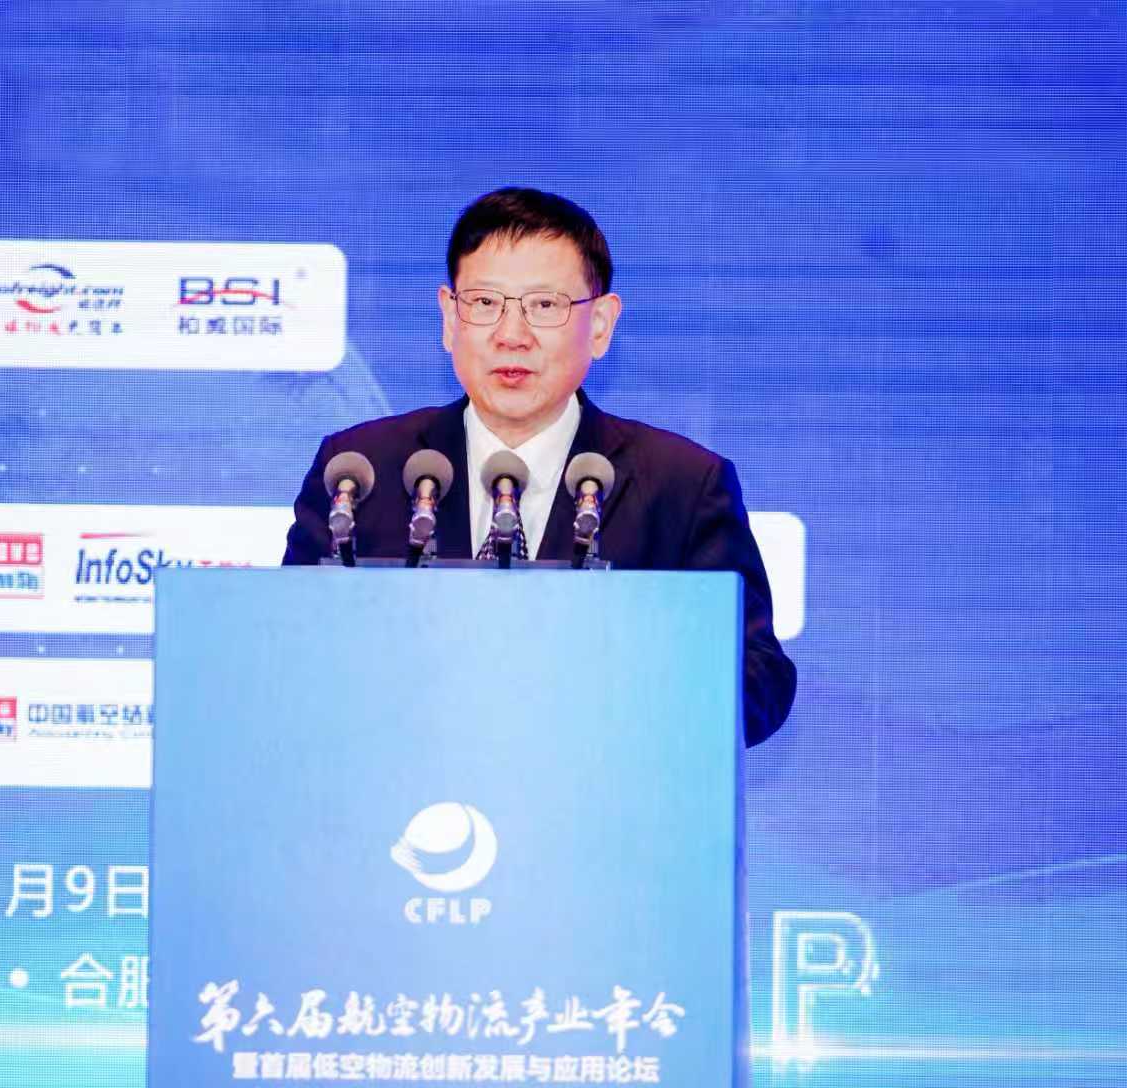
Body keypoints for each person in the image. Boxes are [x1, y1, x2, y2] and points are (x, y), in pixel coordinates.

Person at [283, 187, 796, 745]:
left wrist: (620, 691)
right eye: (485, 303)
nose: (511, 335)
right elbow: (287, 651)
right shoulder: (360, 472)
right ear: (449, 318)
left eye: (545, 306)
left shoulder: (682, 485)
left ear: (600, 325)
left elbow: (758, 681)